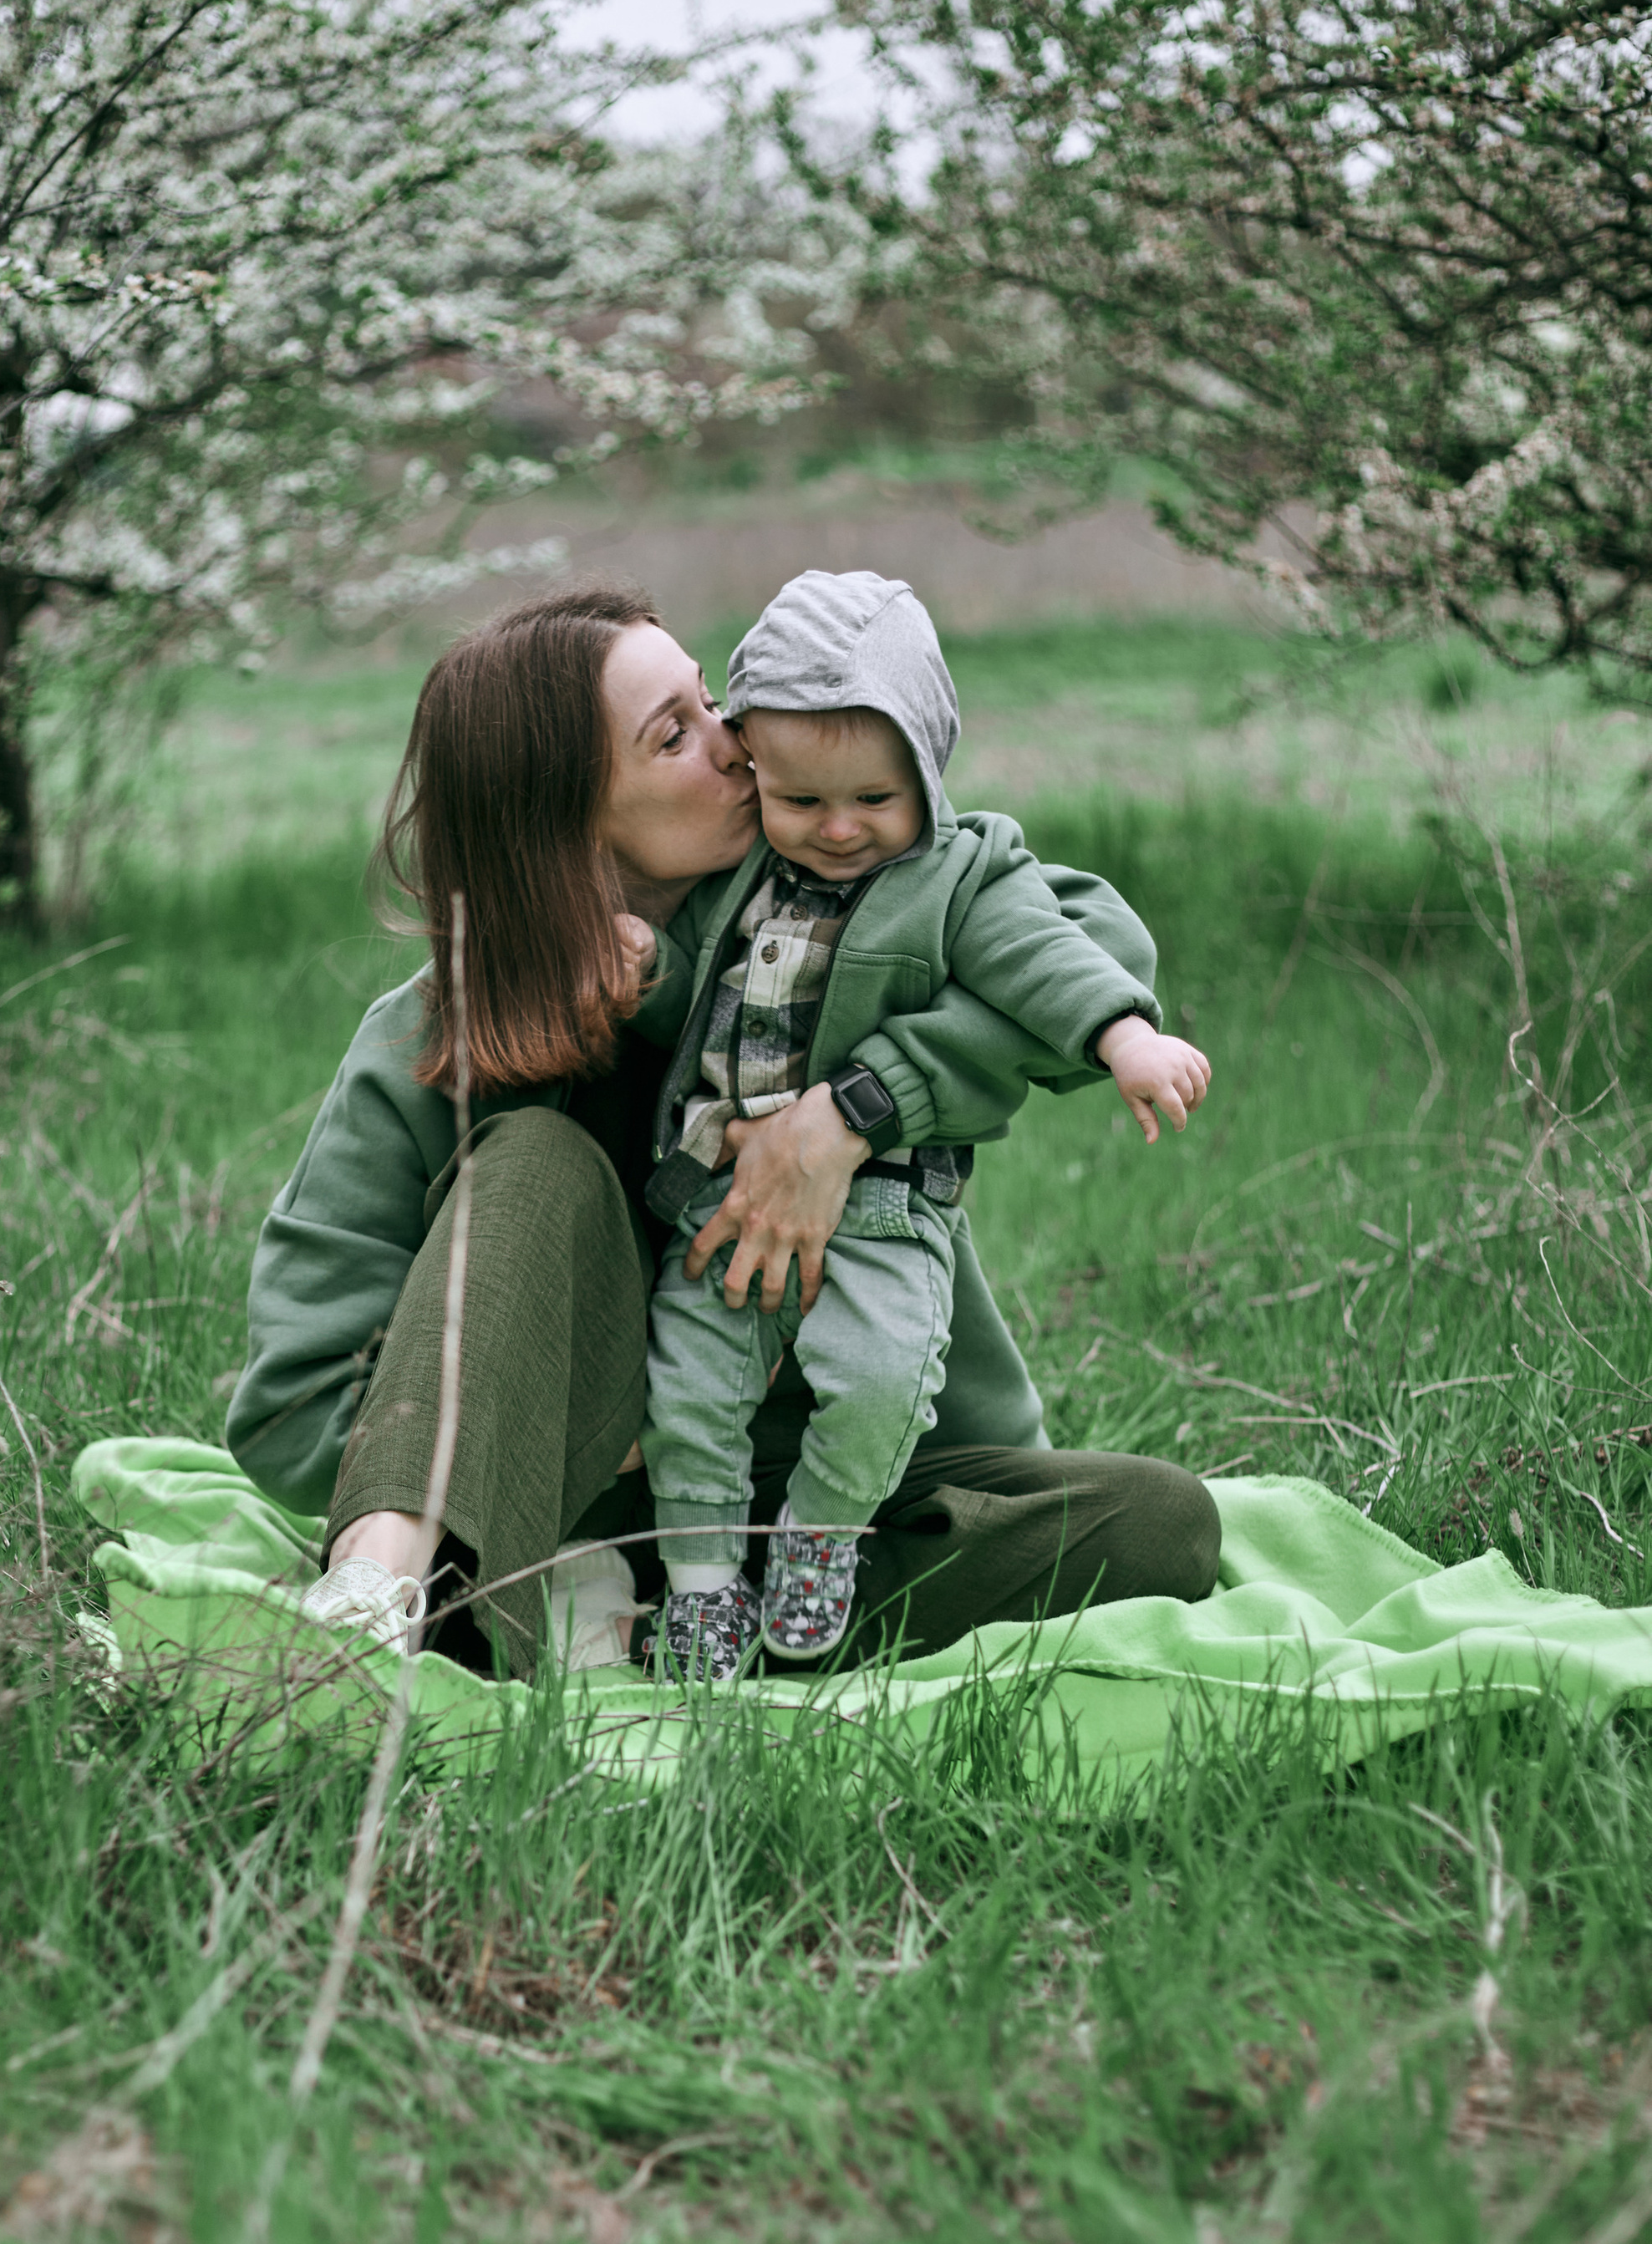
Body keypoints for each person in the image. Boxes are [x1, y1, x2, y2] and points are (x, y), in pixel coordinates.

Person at [225, 583, 1221, 1680]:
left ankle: (639, 1628)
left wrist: (852, 1115)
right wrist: (610, 1442)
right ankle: (386, 1593)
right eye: (676, 735)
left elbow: (1096, 954)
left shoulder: (850, 898)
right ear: (564, 812)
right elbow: (294, 1410)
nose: (737, 743)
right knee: (535, 1165)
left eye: (711, 700)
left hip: (832, 1480)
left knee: (1159, 1527)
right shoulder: (431, 1038)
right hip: (573, 1476)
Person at [636, 569, 1212, 1677]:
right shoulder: (735, 871)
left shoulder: (956, 874)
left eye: (875, 801)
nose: (840, 831)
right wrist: (636, 969)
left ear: (926, 772)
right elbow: (682, 996)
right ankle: (702, 1590)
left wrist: (1126, 1039)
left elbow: (1050, 954)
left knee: (882, 1371)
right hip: (710, 1199)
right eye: (802, 802)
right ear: (754, 764)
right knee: (690, 1385)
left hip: (887, 1208)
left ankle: (822, 1548)